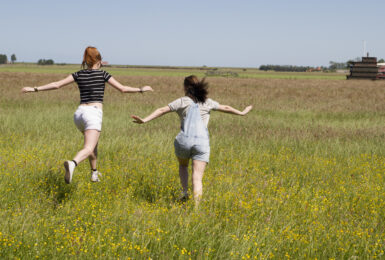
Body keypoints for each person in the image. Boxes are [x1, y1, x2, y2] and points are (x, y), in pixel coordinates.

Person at [21, 46, 153, 184]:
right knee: (89, 147)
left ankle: (94, 174)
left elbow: (56, 85)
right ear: (99, 60)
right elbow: (123, 89)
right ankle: (73, 163)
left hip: (79, 114)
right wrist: (141, 89)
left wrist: (34, 89)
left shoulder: (78, 74)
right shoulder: (103, 74)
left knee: (93, 144)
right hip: (93, 113)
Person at [132, 75, 252, 205]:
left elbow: (162, 110)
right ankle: (196, 208)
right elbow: (226, 108)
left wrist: (144, 120)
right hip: (202, 143)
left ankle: (184, 192)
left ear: (185, 87)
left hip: (184, 141)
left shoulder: (182, 101)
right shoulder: (206, 101)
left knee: (183, 165)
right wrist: (242, 112)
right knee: (197, 177)